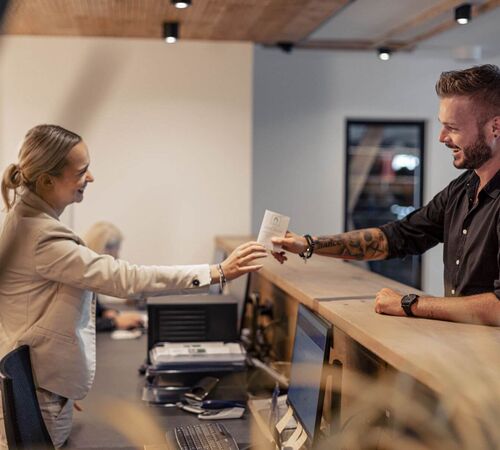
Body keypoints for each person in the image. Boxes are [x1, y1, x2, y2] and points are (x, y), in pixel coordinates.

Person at [0, 124, 267, 448]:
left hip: (44, 387)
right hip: (41, 392)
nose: (91, 177)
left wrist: (59, 380)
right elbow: (125, 279)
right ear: (47, 181)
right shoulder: (41, 235)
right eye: (82, 171)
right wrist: (217, 272)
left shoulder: (22, 221)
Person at [272, 64, 500, 327]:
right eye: (442, 126)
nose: (441, 137)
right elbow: (396, 237)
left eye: (453, 127)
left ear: (495, 127)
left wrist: (409, 304)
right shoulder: (462, 189)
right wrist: (309, 244)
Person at [83, 221, 144, 332]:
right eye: (116, 249)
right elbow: (80, 324)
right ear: (107, 249)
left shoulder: (91, 273)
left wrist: (106, 312)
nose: (117, 255)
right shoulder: (81, 277)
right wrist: (114, 322)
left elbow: (95, 310)